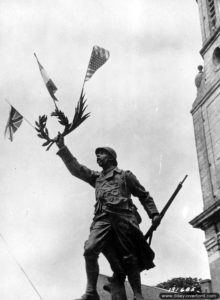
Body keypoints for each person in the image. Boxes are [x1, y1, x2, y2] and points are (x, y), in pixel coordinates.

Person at [55, 134, 161, 300]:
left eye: (101, 153)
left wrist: (153, 213)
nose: (97, 156)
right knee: (90, 249)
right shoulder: (96, 178)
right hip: (102, 219)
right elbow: (76, 169)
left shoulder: (125, 175)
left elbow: (144, 195)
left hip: (124, 219)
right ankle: (91, 293)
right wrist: (62, 148)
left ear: (111, 157)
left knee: (129, 258)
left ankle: (138, 295)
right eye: (97, 154)